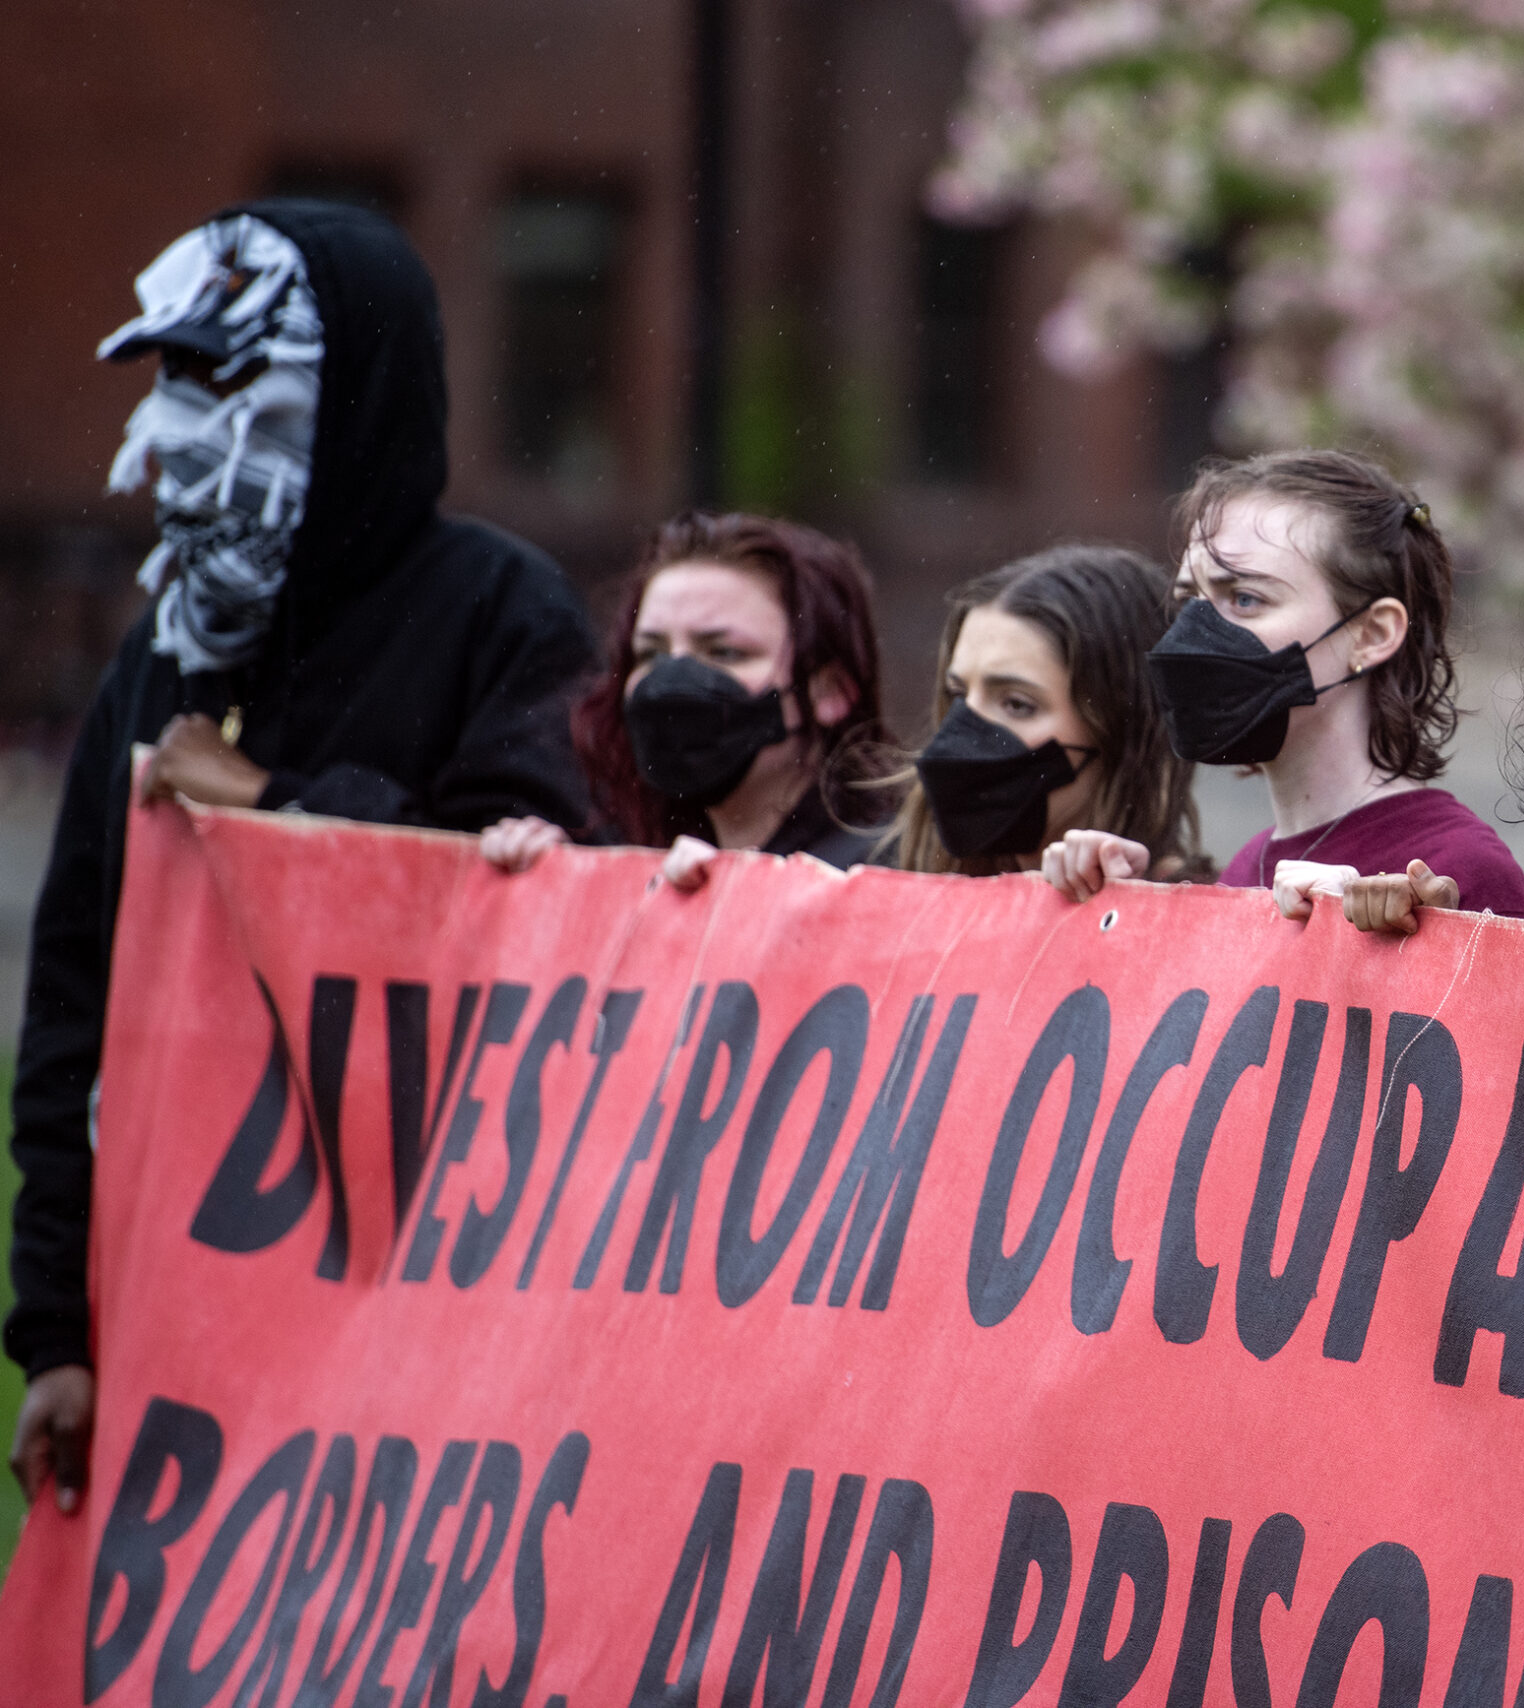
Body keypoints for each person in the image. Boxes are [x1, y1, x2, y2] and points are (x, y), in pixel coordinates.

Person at [9, 201, 597, 1512]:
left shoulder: (501, 615)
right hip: (190, 1294)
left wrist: (277, 801)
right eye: (170, 378)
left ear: (350, 393)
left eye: (223, 378)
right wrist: (54, 1328)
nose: (176, 426)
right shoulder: (164, 650)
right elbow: (72, 1002)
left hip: (432, 1284)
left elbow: (547, 916)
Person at [1044, 450, 1524, 933]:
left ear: (1372, 634)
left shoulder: (1455, 870)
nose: (1193, 632)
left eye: (1245, 598)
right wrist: (1131, 904)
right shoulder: (1245, 868)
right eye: (1188, 600)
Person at [480, 512, 896, 885]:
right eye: (651, 654)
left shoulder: (890, 876)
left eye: (725, 653)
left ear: (832, 692)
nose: (671, 681)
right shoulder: (632, 850)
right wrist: (560, 889)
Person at [901, 545, 1203, 877]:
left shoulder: (1209, 920)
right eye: (958, 694)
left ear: (1119, 727)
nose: (962, 733)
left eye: (1017, 704)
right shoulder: (922, 903)